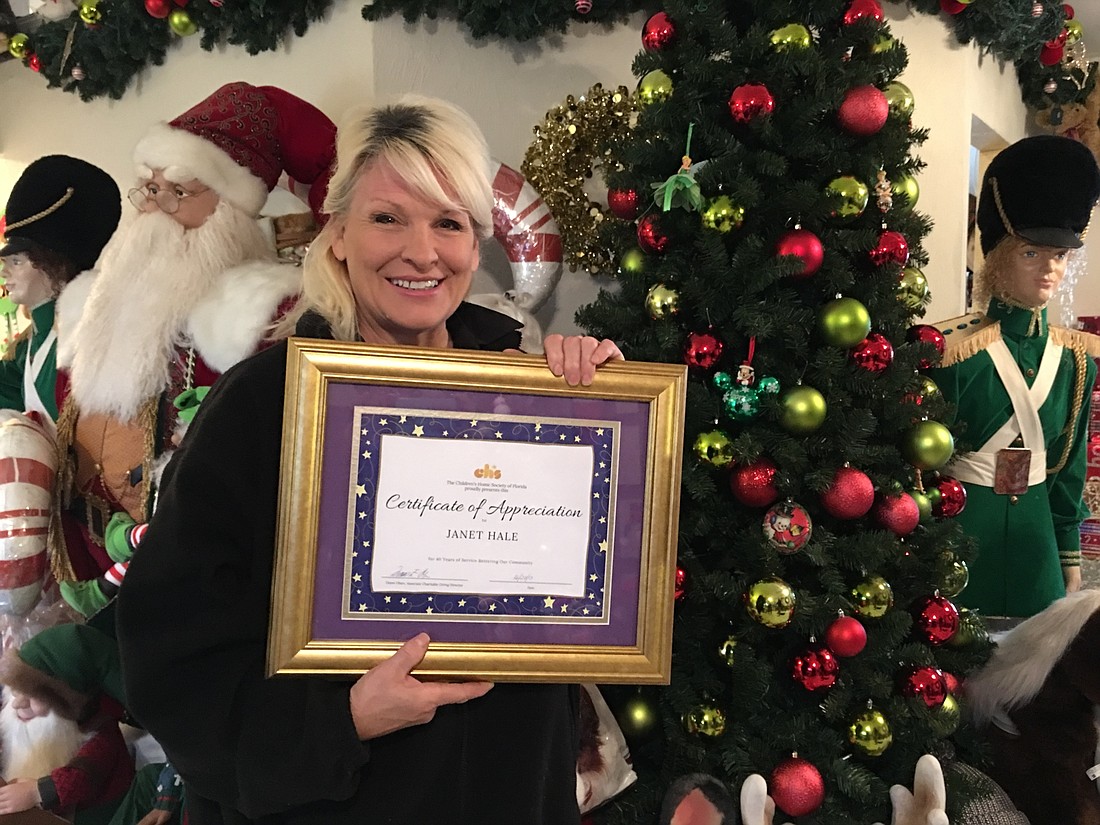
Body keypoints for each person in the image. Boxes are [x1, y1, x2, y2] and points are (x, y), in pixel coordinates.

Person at [116, 95, 623, 824]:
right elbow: (171, 658)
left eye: (448, 222)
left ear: (475, 243)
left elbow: (592, 593)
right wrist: (341, 720)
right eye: (389, 217)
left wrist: (605, 415)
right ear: (340, 232)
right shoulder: (263, 405)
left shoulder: (528, 399)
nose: (422, 250)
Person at [51, 81, 336, 615]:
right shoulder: (91, 307)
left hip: (202, 585)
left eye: (179, 191)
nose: (156, 207)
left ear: (231, 210)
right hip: (94, 569)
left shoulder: (266, 318)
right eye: (148, 188)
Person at [929, 134, 1100, 618]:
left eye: (1060, 257)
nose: (1049, 270)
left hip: (1037, 548)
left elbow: (1067, 470)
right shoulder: (951, 353)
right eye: (1032, 254)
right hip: (962, 541)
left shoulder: (1077, 360)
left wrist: (1068, 552)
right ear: (998, 256)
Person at [0, 155, 121, 423]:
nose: (4, 272)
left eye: (17, 261)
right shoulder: (30, 341)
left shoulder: (88, 336)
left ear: (53, 265)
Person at [0, 623, 133, 824]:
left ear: (66, 702)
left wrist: (37, 792)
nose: (18, 703)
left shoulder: (98, 732)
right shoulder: (24, 725)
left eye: (32, 697)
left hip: (100, 814)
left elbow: (82, 778)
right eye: (15, 693)